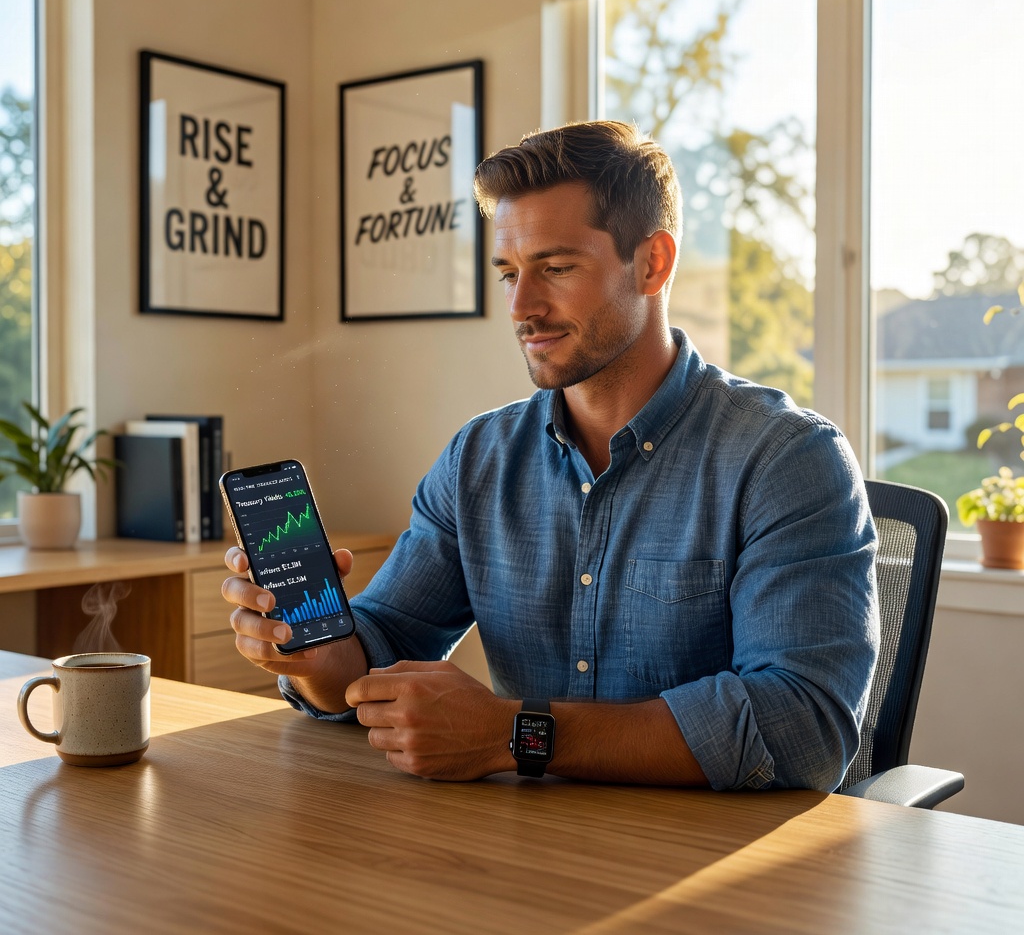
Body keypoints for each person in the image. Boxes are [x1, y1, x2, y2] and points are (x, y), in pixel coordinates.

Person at [221, 120, 879, 791]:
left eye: (556, 268)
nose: (522, 306)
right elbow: (380, 648)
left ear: (652, 263)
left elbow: (802, 728)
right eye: (509, 273)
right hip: (523, 856)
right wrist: (311, 651)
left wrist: (515, 736)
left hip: (715, 871)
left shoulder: (789, 459)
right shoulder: (478, 459)